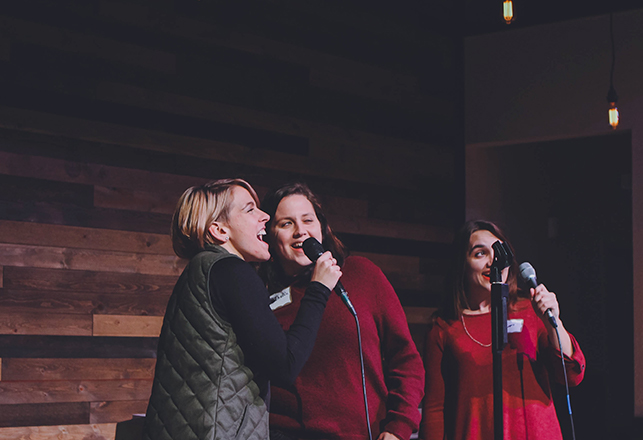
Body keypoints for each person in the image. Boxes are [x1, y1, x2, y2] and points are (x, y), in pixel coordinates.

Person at [142, 179, 342, 440]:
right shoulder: (233, 272)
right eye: (250, 209)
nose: (265, 216)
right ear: (219, 230)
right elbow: (285, 366)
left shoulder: (202, 269)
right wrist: (319, 289)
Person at [259, 182, 425, 440]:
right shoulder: (262, 297)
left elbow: (406, 360)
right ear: (269, 234)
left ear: (322, 227)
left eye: (308, 220)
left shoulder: (361, 274)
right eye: (286, 223)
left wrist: (399, 427)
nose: (301, 231)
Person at [419, 220, 586, 440]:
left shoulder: (530, 311)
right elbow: (434, 411)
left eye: (499, 251)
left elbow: (572, 375)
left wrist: (553, 321)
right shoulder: (444, 328)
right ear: (462, 264)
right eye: (480, 253)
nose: (493, 261)